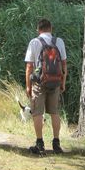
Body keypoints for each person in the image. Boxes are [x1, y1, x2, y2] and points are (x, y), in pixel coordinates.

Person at [24, 18, 67, 154]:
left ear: (38, 30)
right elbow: (64, 64)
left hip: (39, 82)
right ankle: (56, 143)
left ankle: (40, 143)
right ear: (51, 28)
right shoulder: (59, 41)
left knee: (37, 112)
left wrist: (28, 86)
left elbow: (29, 66)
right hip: (55, 82)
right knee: (54, 112)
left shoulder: (34, 42)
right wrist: (63, 82)